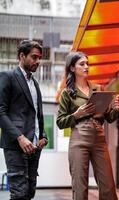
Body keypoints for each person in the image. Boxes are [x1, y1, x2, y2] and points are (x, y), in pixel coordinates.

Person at [56, 51, 119, 200]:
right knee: (80, 186)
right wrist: (76, 115)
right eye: (82, 64)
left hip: (99, 139)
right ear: (72, 68)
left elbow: (109, 118)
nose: (86, 66)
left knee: (108, 186)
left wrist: (116, 108)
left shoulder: (98, 89)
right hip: (78, 140)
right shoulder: (67, 93)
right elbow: (60, 122)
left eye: (87, 64)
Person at [0, 40, 48, 200]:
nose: (38, 61)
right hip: (16, 145)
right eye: (34, 57)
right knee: (19, 193)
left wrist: (44, 135)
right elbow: (1, 112)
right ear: (22, 56)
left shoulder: (35, 83)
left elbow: (37, 114)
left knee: (29, 192)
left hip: (34, 147)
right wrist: (19, 138)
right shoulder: (8, 77)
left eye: (39, 57)